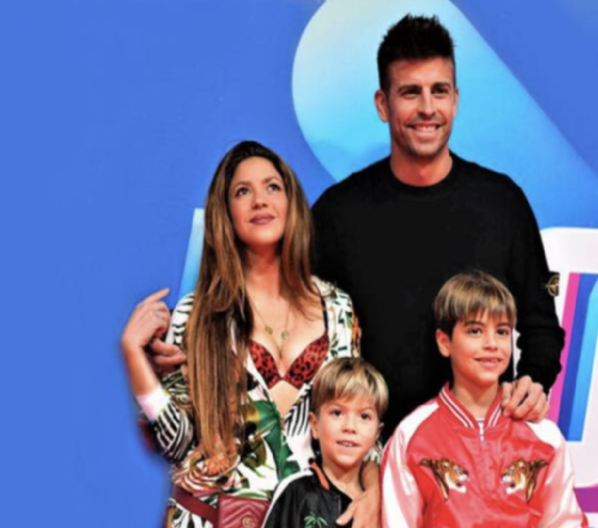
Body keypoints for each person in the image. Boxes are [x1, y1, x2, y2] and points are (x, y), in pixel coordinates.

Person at [312, 15, 565, 437]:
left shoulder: (502, 203)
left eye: (439, 91)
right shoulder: (336, 215)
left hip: (483, 452)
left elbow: (541, 323)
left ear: (456, 100)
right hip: (373, 456)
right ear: (382, 104)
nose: (427, 108)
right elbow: (296, 331)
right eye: (410, 92)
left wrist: (534, 379)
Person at [120, 141, 377, 528]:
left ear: (291, 202)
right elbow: (177, 444)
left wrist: (375, 485)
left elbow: (358, 419)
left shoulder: (338, 308)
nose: (260, 200)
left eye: (272, 187)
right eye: (243, 191)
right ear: (226, 214)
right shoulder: (196, 315)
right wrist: (132, 353)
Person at [381, 271, 586, 527]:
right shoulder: (411, 435)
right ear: (444, 342)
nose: (492, 344)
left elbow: (565, 523)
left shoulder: (544, 436)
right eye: (475, 330)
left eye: (502, 331)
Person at [265, 357, 388, 528]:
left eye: (364, 416)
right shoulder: (296, 492)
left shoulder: (388, 500)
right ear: (315, 425)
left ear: (377, 433)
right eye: (337, 413)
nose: (350, 427)